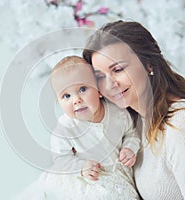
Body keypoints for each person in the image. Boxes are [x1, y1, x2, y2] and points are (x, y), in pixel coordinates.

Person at [82, 20, 185, 199]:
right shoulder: (136, 124)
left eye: (118, 69)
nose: (110, 84)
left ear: (149, 64)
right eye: (100, 77)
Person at [15, 56, 141, 200]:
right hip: (92, 176)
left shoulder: (118, 113)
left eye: (82, 89)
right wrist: (81, 167)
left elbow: (131, 133)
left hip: (119, 171)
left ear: (99, 90)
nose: (76, 100)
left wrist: (129, 148)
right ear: (59, 102)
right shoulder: (65, 129)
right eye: (66, 96)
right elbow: (61, 159)